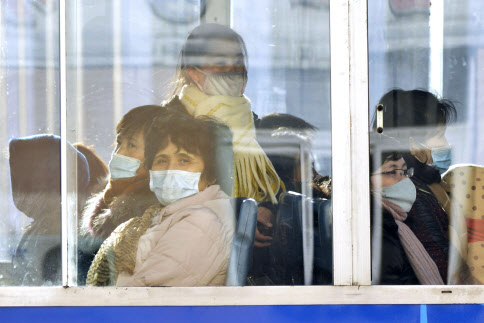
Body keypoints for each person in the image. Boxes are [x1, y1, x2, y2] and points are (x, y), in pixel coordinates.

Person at [86, 110, 235, 286]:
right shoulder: (168, 214)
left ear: (210, 174)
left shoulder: (201, 222)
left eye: (184, 160)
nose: (169, 170)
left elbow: (146, 296)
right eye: (161, 160)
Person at [163, 23, 283, 205]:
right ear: (194, 73)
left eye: (238, 62)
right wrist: (238, 213)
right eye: (220, 63)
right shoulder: (165, 126)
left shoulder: (254, 125)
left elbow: (279, 189)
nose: (233, 70)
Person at [9, 134, 89, 286]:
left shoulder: (60, 227)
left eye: (24, 180)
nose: (18, 190)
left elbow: (52, 289)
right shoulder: (42, 225)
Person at [81, 105, 165, 240]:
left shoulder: (153, 214)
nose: (119, 152)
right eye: (119, 143)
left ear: (158, 156)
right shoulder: (112, 192)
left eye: (131, 145)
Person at [370, 152, 443, 284]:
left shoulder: (396, 223)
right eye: (391, 171)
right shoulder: (376, 230)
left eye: (404, 171)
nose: (404, 180)